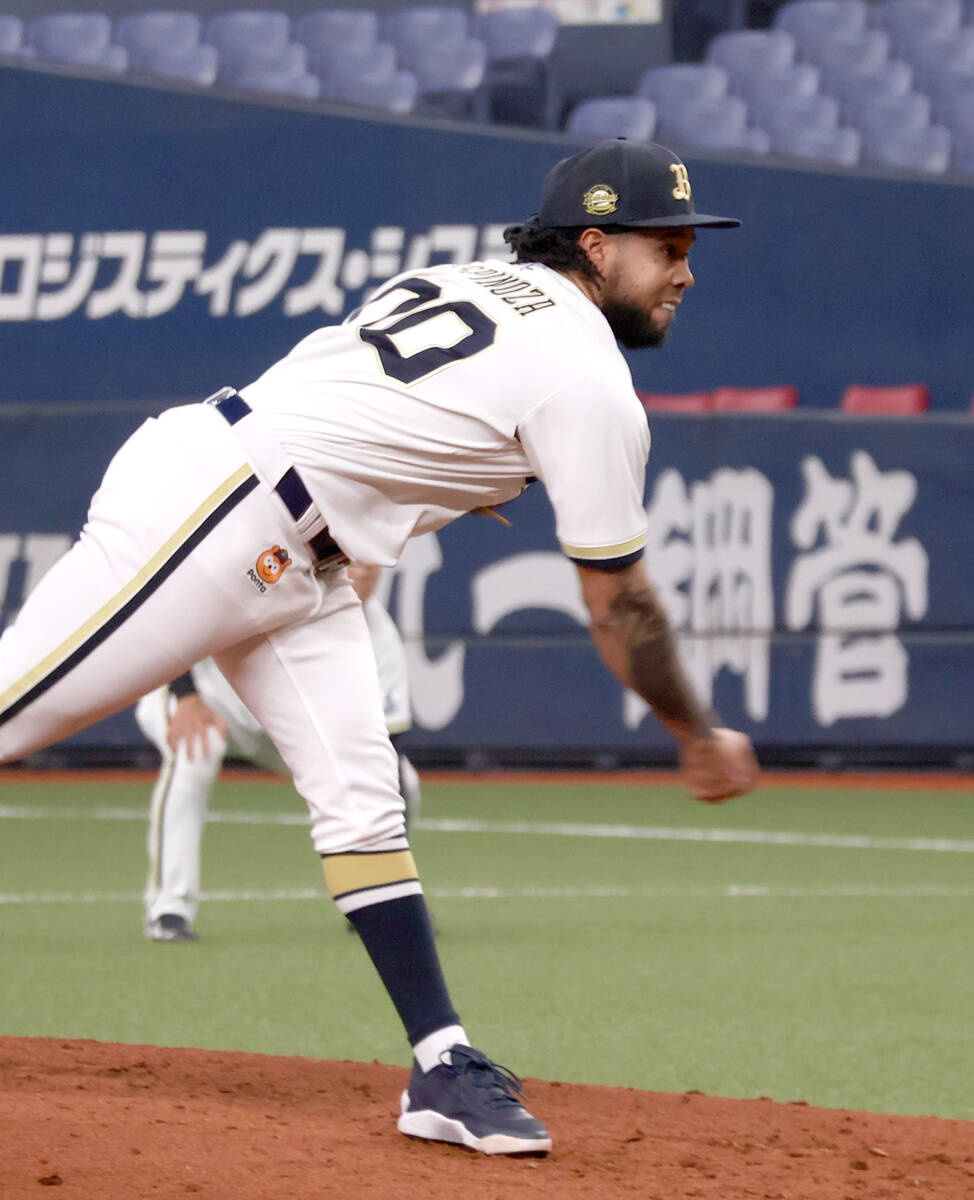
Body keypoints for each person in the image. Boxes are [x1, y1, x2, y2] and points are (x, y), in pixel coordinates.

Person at [0, 138, 760, 1157]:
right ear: (595, 244)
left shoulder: (473, 283)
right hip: (222, 506)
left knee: (364, 802)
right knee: (14, 709)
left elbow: (393, 431)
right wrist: (696, 732)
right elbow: (619, 606)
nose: (684, 269)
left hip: (299, 551)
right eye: (665, 246)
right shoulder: (585, 378)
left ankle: (441, 1066)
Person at [138, 563, 421, 944]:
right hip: (203, 701)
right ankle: (169, 908)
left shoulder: (379, 638)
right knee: (196, 753)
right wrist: (186, 696)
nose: (366, 572)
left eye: (374, 565)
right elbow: (178, 617)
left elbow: (389, 754)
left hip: (286, 730)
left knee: (406, 782)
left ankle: (375, 898)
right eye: (355, 560)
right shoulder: (275, 590)